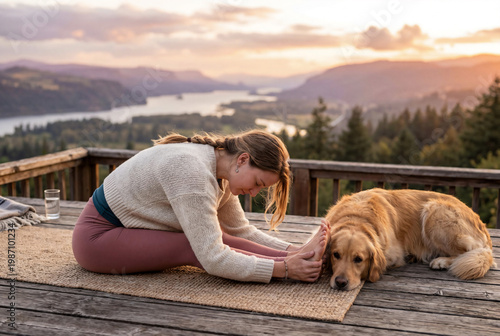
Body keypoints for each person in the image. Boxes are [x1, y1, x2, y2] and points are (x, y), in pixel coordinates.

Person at [72, 129, 329, 283]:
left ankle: (299, 258)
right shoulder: (191, 171)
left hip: (128, 231)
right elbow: (212, 259)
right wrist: (283, 270)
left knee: (219, 236)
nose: (254, 192)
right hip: (98, 238)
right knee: (194, 246)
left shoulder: (222, 172)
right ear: (242, 159)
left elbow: (241, 231)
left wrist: (296, 251)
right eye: (258, 182)